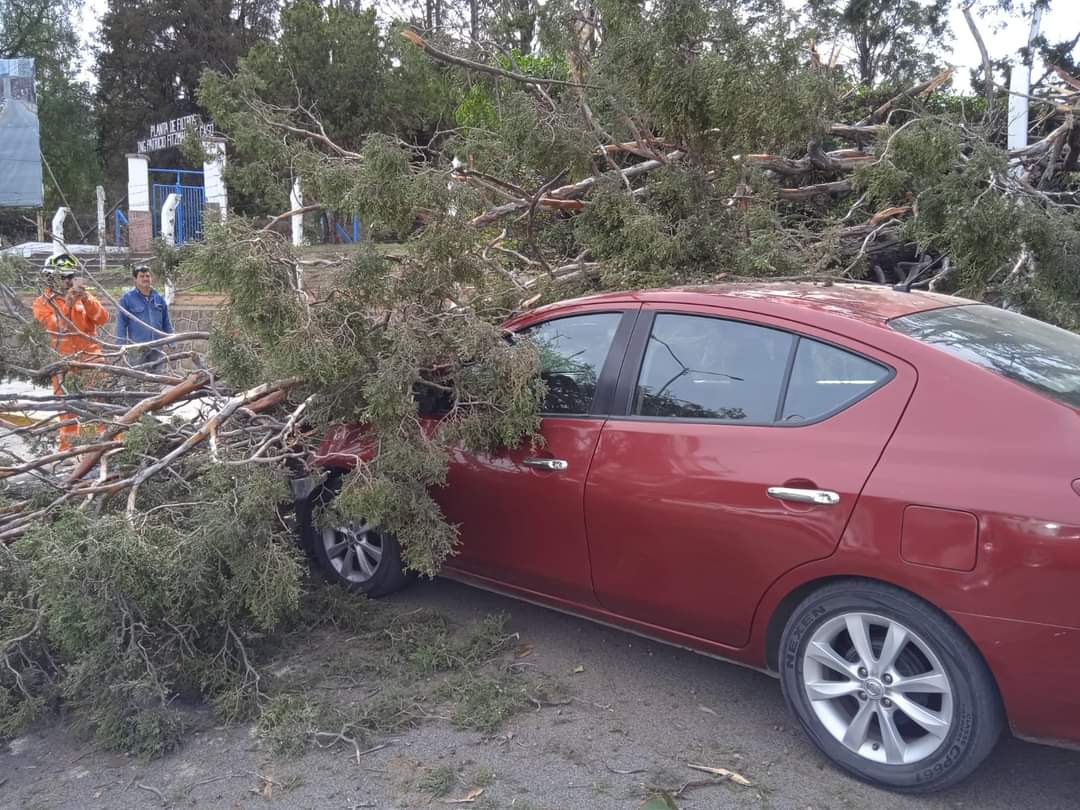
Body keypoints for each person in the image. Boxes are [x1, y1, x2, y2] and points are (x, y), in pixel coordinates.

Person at [31, 253, 110, 451]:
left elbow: (102, 319)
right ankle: (68, 451)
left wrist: (87, 300)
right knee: (67, 409)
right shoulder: (41, 303)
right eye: (63, 277)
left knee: (96, 404)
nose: (68, 281)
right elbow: (53, 327)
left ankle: (99, 446)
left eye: (70, 276)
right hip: (63, 363)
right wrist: (67, 305)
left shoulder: (84, 297)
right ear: (50, 277)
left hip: (91, 359)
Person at [116, 264, 173, 371]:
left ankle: (154, 389)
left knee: (156, 380)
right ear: (135, 279)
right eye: (142, 276)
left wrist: (171, 342)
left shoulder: (158, 298)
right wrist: (120, 345)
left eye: (147, 276)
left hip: (157, 347)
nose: (145, 279)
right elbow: (121, 324)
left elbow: (166, 322)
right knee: (135, 381)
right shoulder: (127, 299)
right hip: (137, 348)